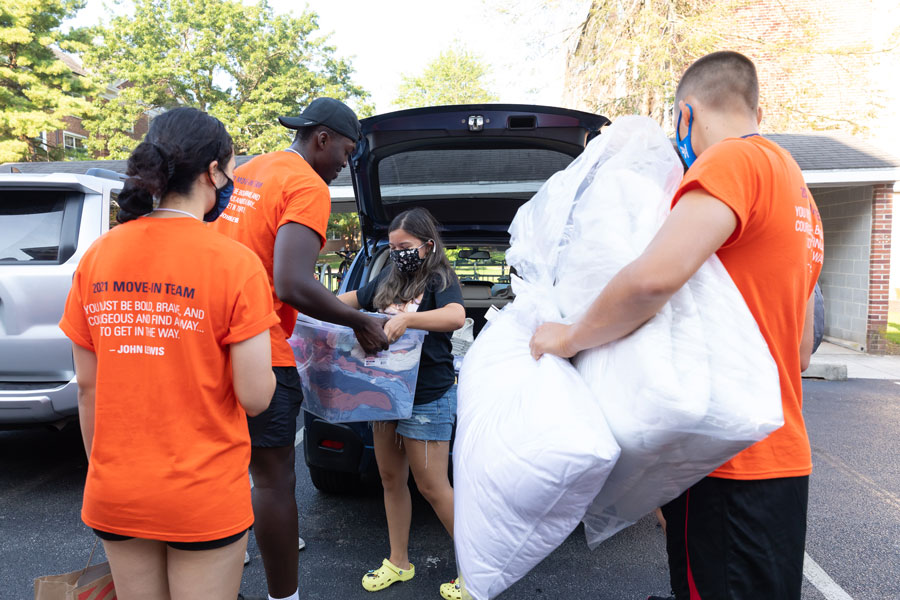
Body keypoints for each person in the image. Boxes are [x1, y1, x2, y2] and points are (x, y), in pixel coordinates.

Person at [530, 51, 823, 600]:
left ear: (686, 115)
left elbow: (651, 280)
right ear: (756, 107)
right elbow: (801, 351)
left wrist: (567, 337)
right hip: (783, 459)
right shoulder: (800, 195)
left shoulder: (732, 162)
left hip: (725, 459)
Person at [59, 107, 278, 600]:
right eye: (231, 170)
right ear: (213, 171)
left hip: (117, 486)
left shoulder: (99, 255)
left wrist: (107, 470)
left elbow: (88, 387)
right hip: (202, 490)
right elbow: (256, 396)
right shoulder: (234, 263)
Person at [211, 97, 389, 600]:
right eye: (348, 151)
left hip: (209, 345)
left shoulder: (251, 171)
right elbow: (289, 282)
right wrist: (358, 321)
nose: (345, 165)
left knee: (226, 466)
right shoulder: (307, 184)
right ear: (322, 138)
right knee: (272, 481)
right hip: (259, 346)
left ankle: (220, 571)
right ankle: (283, 596)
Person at [337, 208, 466, 599]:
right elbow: (345, 299)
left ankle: (476, 570)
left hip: (428, 396)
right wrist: (310, 307)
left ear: (427, 245)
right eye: (392, 248)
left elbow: (456, 316)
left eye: (405, 247)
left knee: (433, 487)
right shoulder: (388, 279)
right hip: (385, 396)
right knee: (391, 480)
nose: (398, 254)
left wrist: (409, 320)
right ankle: (399, 562)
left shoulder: (441, 277)